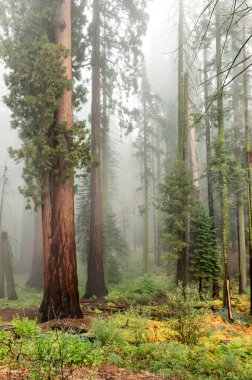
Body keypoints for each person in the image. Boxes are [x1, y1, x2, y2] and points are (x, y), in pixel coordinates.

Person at [0, 231, 17, 300]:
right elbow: (9, 255)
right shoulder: (6, 244)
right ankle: (10, 295)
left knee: (6, 279)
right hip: (4, 264)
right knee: (6, 279)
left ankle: (10, 295)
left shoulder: (7, 244)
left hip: (4, 264)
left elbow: (9, 255)